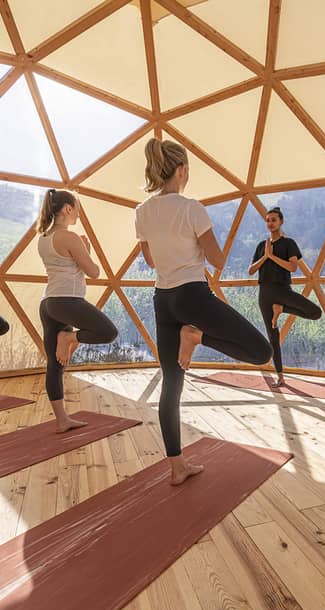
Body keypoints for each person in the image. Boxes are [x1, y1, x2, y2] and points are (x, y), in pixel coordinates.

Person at [136, 138, 272, 486]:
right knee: (261, 351)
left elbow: (150, 260)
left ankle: (177, 466)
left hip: (162, 299)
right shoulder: (192, 207)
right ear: (181, 170)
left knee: (172, 384)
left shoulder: (143, 212)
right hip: (193, 295)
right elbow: (218, 259)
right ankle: (196, 335)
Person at [37, 189, 118, 432]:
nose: (79, 214)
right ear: (67, 209)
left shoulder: (43, 237)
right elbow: (93, 272)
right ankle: (68, 337)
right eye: (77, 209)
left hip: (49, 303)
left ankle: (62, 420)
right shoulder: (69, 238)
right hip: (67, 301)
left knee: (55, 363)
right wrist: (87, 251)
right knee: (108, 331)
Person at [249, 207, 322, 387]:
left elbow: (292, 268)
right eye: (267, 220)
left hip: (282, 290)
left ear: (281, 221)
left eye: (273, 219)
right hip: (264, 292)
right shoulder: (261, 246)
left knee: (315, 312)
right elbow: (251, 270)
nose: (270, 223)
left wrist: (272, 256)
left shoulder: (289, 243)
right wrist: (265, 256)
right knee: (272, 335)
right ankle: (280, 376)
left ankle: (281, 308)